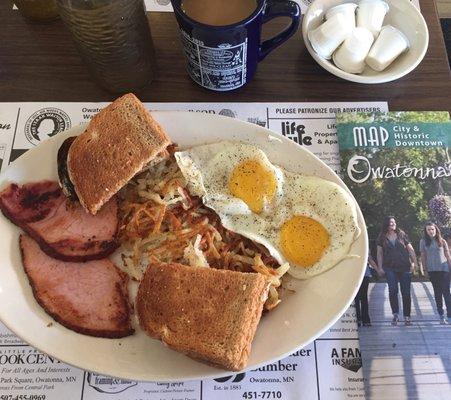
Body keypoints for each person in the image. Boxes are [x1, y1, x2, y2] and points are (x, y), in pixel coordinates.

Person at [376, 216, 419, 326]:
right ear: (386, 224)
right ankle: (395, 314)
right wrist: (379, 267)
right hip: (389, 267)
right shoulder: (381, 237)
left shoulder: (402, 234)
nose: (393, 224)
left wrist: (415, 263)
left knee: (406, 292)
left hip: (404, 267)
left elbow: (411, 249)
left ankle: (407, 316)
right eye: (391, 223)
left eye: (394, 222)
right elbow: (379, 254)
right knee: (393, 290)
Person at [420, 222, 451, 324]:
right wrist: (424, 269)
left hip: (444, 269)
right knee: (437, 293)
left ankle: (450, 315)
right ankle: (441, 315)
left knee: (446, 292)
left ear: (436, 230)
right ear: (426, 231)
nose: (431, 231)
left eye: (432, 229)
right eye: (428, 229)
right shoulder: (423, 242)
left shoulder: (442, 241)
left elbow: (447, 255)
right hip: (432, 270)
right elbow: (423, 257)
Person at [355, 253, 378, 327]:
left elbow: (370, 259)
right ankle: (365, 320)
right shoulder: (364, 246)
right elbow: (370, 259)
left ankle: (358, 320)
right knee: (363, 297)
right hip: (364, 274)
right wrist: (378, 270)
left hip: (358, 275)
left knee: (357, 298)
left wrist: (378, 269)